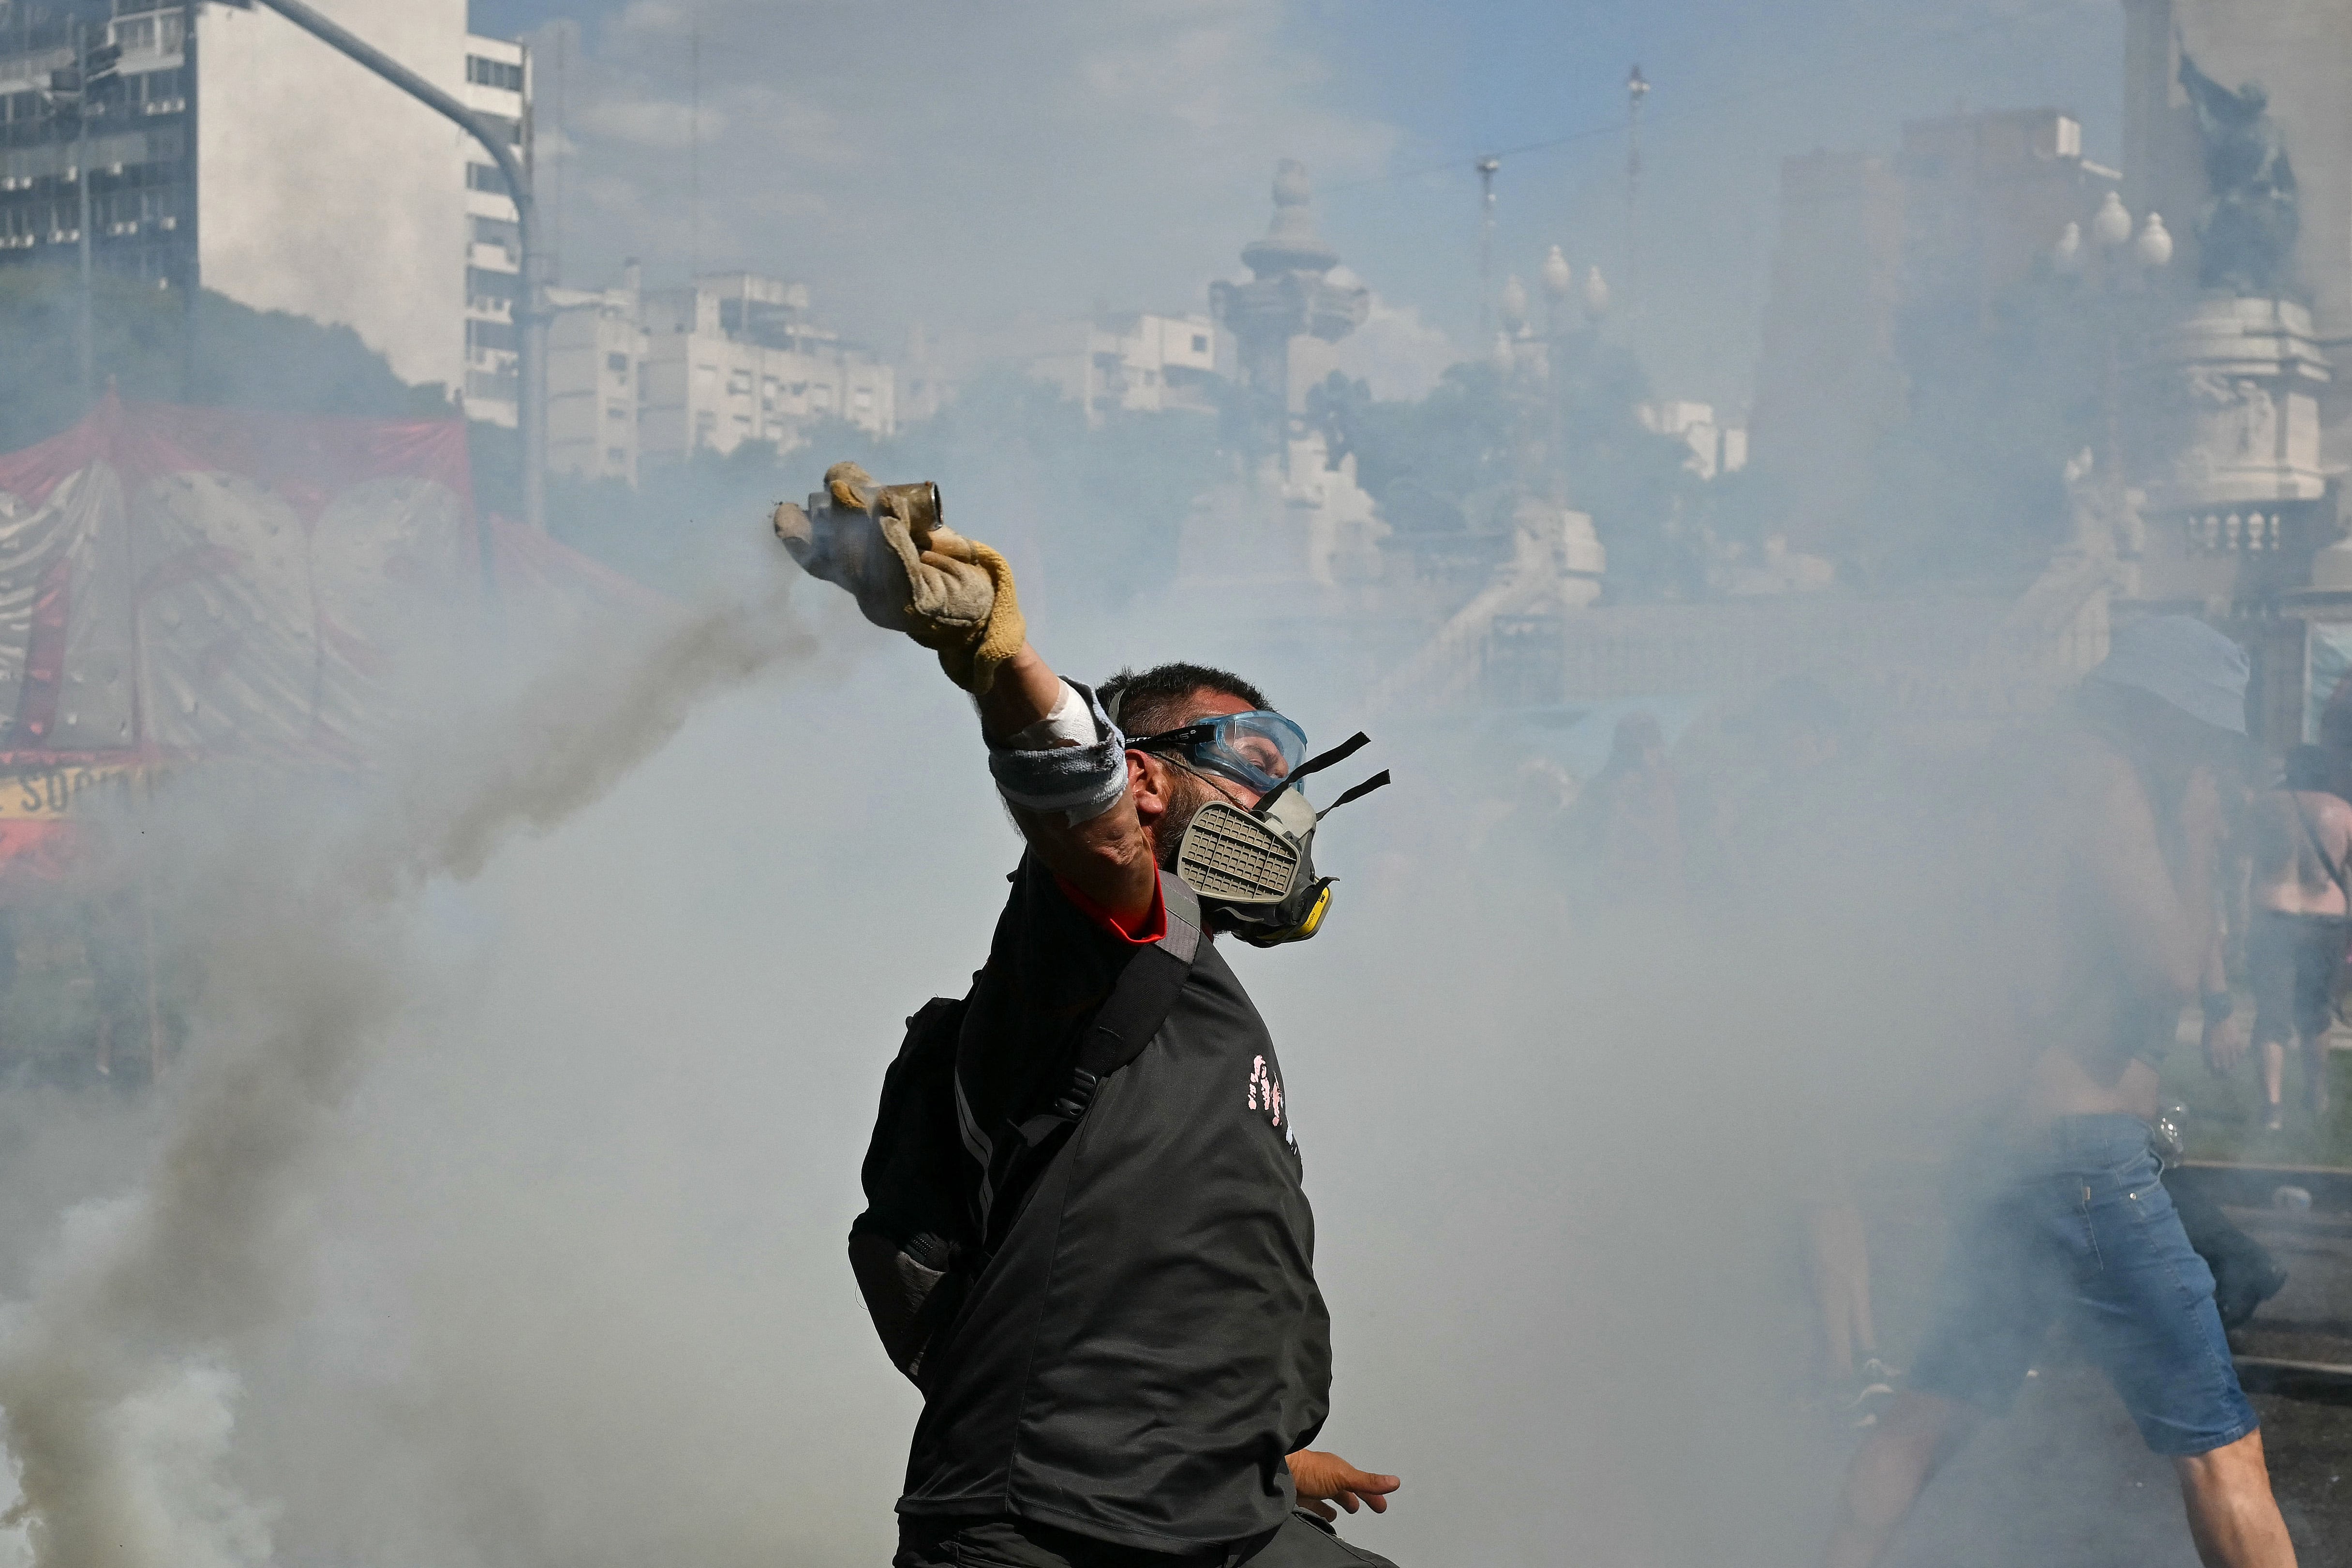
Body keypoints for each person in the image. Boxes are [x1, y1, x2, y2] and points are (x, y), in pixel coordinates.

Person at [773, 466, 1404, 1568]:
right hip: (1055, 1535)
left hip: (1216, 1514)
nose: (1288, 805)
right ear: (1149, 785)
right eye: (1258, 762)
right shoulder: (1110, 932)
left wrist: (1252, 1456)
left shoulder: (1200, 992)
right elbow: (1087, 820)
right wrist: (994, 655)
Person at [1822, 615, 2297, 1568]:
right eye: (2203, 734)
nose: (2208, 757)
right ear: (2160, 714)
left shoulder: (2027, 781)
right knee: (2220, 1444)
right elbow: (2167, 966)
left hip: (2013, 1145)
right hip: (2087, 1162)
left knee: (1928, 1409)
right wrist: (2199, 841)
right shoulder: (2107, 783)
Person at [2244, 744, 2352, 1131]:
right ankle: (2316, 1096)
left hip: (2274, 913)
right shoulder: (2342, 812)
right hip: (2326, 920)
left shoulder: (2264, 806)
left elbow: (2245, 862)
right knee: (2316, 1015)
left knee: (2271, 1017)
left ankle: (2273, 1108)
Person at [1562, 710, 1683, 914]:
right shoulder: (1605, 789)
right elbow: (1584, 841)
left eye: (1651, 740)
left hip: (1668, 887)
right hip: (1624, 890)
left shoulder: (1672, 782)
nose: (1648, 750)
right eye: (1637, 744)